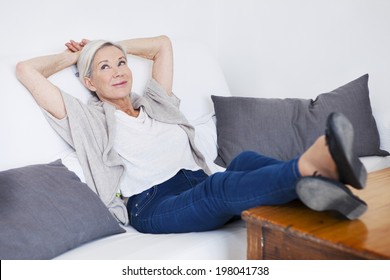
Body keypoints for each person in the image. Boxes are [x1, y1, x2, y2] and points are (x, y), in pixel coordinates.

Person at [16, 35, 368, 234]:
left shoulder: (154, 102)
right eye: (104, 68)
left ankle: (326, 189)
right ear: (90, 83)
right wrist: (77, 55)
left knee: (243, 160)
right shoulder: (87, 118)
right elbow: (26, 70)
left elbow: (162, 45)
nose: (119, 71)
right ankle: (311, 168)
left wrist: (107, 45)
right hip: (154, 204)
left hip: (195, 180)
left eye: (121, 62)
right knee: (220, 187)